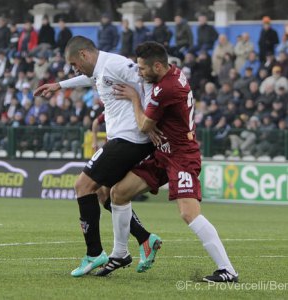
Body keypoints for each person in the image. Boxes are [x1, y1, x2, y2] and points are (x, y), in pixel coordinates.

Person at [96, 41, 238, 283]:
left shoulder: (167, 89)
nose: (138, 73)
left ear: (158, 66)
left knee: (188, 213)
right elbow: (150, 119)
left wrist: (133, 99)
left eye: (142, 69)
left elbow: (143, 125)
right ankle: (120, 253)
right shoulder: (169, 76)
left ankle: (228, 270)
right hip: (162, 153)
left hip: (181, 156)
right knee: (119, 193)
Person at [34, 36, 161, 277]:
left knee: (82, 185)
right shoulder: (101, 68)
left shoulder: (114, 63)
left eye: (74, 63)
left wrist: (150, 120)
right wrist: (59, 85)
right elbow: (89, 77)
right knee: (103, 192)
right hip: (122, 138)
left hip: (130, 137)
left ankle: (94, 253)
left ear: (84, 54)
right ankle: (145, 239)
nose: (75, 69)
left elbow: (147, 81)